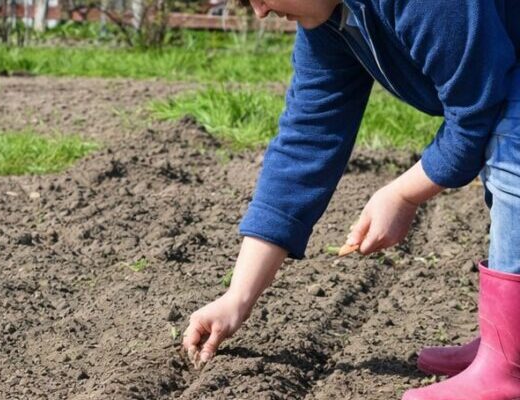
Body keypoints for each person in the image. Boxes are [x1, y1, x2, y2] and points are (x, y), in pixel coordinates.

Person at [181, 0, 520, 398]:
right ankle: (509, 342)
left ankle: (509, 368)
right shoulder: (331, 21)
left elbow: (476, 110)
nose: (259, 12)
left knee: (511, 155)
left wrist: (402, 194)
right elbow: (306, 141)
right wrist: (237, 298)